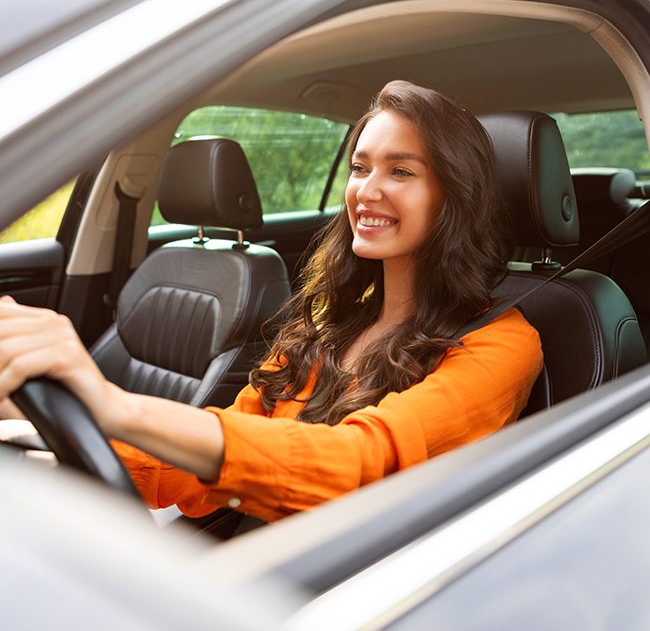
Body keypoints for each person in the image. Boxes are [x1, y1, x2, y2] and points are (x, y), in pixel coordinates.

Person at [0, 81, 542, 522]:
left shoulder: (503, 343)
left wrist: (113, 405)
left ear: (456, 195)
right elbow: (219, 460)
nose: (366, 190)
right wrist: (51, 439)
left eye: (401, 171)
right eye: (359, 167)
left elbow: (362, 466)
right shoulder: (328, 325)